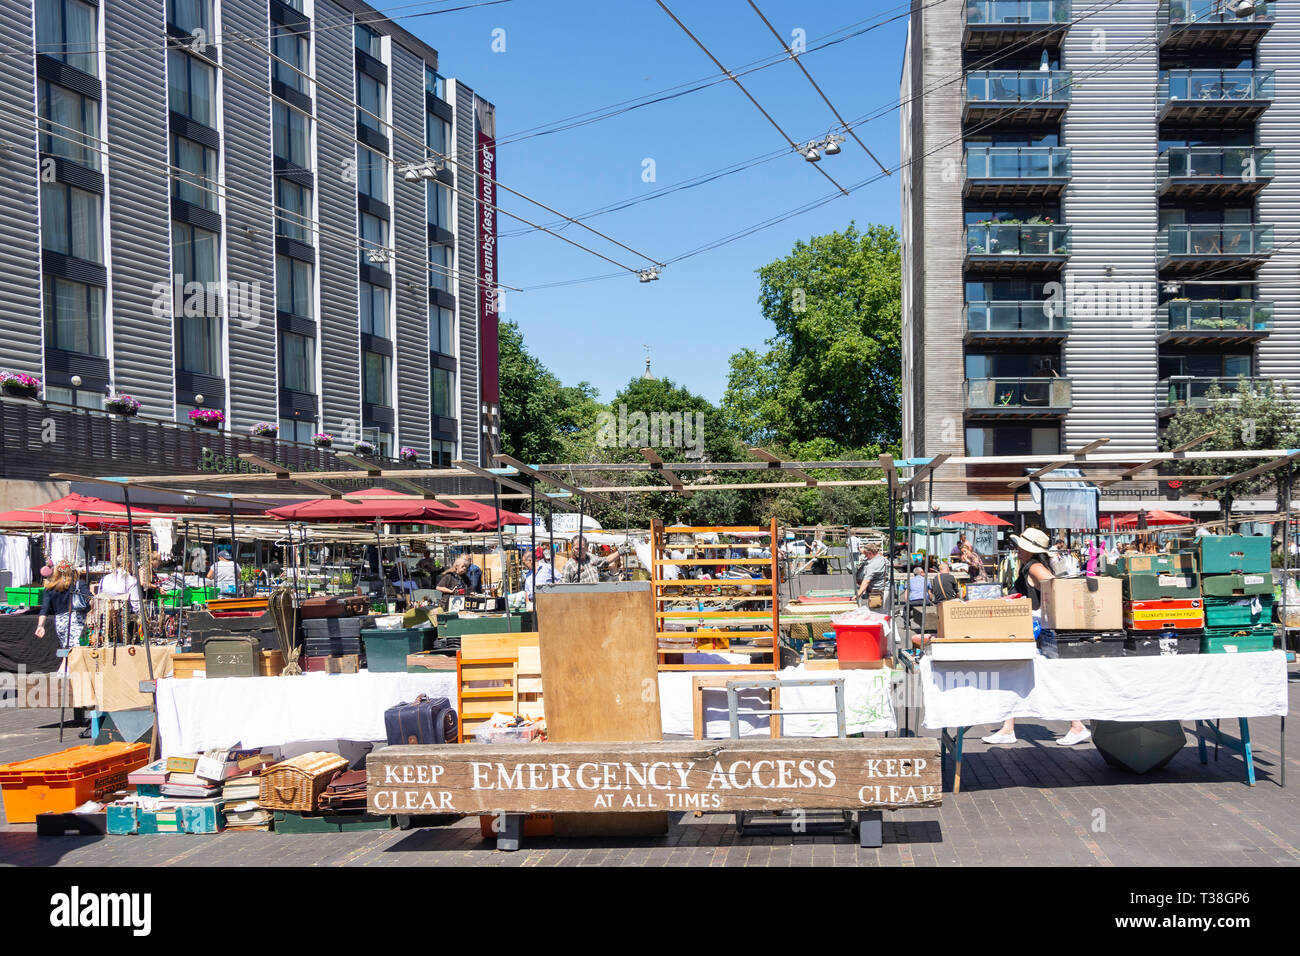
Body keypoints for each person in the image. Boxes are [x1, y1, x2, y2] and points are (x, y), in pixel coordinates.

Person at [982, 527, 1091, 748]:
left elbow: (1055, 586)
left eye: (1021, 546)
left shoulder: (1034, 566)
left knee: (1040, 676)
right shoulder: (1028, 566)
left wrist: (1041, 612)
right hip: (1032, 629)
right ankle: (1008, 728)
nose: (1018, 549)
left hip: (1036, 631)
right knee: (1014, 674)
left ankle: (1077, 724)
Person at [35, 561, 87, 650]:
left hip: (60, 621)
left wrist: (40, 626)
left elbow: (44, 609)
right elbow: (90, 598)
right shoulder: (78, 584)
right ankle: (65, 663)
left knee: (65, 648)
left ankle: (62, 662)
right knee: (75, 651)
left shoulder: (49, 588)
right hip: (75, 620)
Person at [854, 543, 889, 608]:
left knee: (877, 613)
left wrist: (858, 594)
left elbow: (866, 581)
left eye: (866, 554)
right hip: (885, 589)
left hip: (877, 592)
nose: (865, 556)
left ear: (870, 553)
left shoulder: (873, 564)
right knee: (885, 612)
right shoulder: (884, 559)